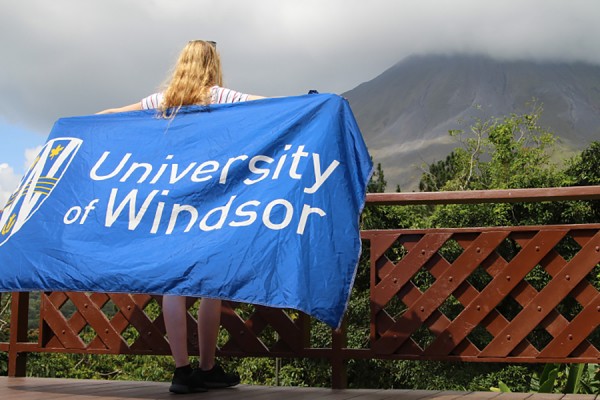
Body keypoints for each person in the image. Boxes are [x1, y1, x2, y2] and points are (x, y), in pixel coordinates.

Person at [97, 40, 264, 394]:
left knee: (174, 285)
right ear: (212, 64)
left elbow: (114, 114)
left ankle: (181, 371)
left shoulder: (163, 102)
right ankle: (207, 367)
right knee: (210, 285)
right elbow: (272, 108)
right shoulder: (220, 96)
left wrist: (76, 124)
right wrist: (315, 103)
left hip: (170, 201)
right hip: (210, 202)